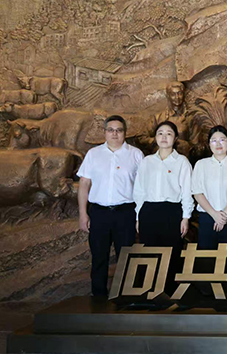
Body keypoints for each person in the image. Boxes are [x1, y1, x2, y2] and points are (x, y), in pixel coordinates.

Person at [77, 115, 144, 298]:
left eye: (119, 130)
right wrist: (83, 214)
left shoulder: (136, 154)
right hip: (99, 213)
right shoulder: (93, 154)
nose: (115, 134)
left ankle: (127, 296)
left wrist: (139, 217)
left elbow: (143, 188)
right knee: (99, 257)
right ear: (105, 132)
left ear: (125, 133)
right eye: (111, 130)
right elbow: (84, 184)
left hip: (126, 213)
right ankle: (98, 296)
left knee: (126, 257)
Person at [133, 120, 194, 295]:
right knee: (149, 252)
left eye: (169, 133)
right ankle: (149, 293)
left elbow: (187, 191)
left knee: (172, 253)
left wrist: (186, 217)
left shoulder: (181, 162)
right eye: (160, 133)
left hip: (171, 212)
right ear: (155, 137)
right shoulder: (147, 162)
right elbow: (139, 190)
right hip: (149, 211)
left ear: (175, 138)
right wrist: (138, 216)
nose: (164, 137)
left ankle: (169, 293)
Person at [192, 125, 227, 254]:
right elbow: (197, 192)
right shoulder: (201, 164)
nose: (218, 144)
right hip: (208, 216)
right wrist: (215, 214)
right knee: (207, 257)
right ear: (209, 144)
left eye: (222, 140)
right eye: (214, 140)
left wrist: (224, 215)